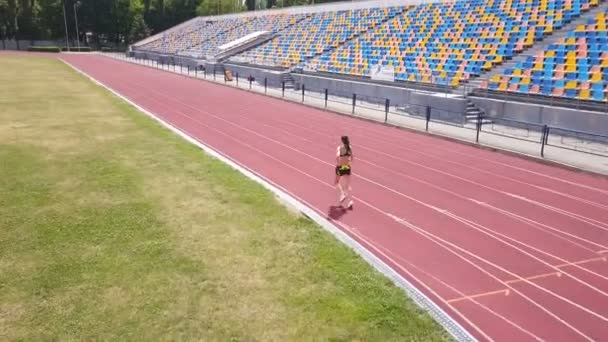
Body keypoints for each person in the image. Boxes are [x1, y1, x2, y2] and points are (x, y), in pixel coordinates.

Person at [335, 135, 353, 209]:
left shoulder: (340, 148)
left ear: (342, 140)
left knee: (336, 182)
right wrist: (349, 163)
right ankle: (349, 202)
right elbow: (352, 157)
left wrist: (338, 163)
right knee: (347, 185)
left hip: (341, 166)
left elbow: (337, 156)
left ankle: (342, 194)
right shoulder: (350, 147)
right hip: (347, 167)